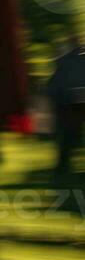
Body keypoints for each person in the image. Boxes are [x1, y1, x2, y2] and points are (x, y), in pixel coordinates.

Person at [50, 34, 85, 175]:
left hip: (68, 102)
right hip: (69, 102)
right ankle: (63, 164)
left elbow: (56, 81)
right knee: (69, 134)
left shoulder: (65, 60)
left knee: (68, 134)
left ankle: (63, 164)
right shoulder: (69, 60)